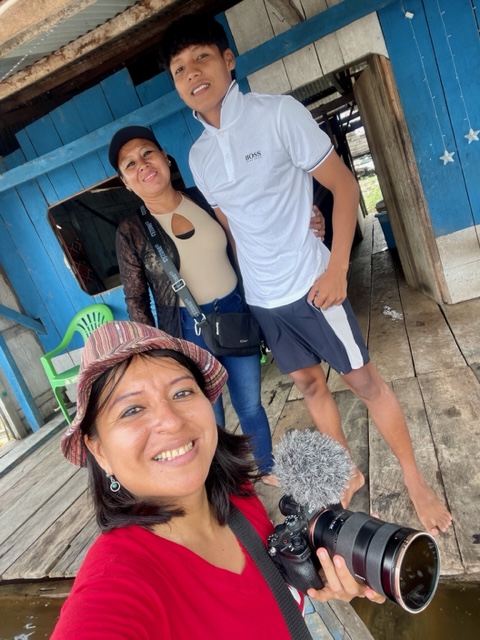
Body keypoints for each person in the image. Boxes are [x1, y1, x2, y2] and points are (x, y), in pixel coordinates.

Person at [158, 15, 452, 536]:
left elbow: (344, 185)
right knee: (310, 385)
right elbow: (234, 225)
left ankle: (414, 480)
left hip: (313, 284)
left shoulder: (278, 114)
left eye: (201, 57)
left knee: (365, 383)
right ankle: (347, 471)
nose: (192, 73)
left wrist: (338, 267)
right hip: (265, 300)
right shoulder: (198, 156)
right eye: (179, 69)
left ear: (228, 60)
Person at [51, 321, 385, 638]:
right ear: (99, 451)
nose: (171, 421)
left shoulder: (238, 496)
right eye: (132, 410)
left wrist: (323, 571)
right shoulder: (116, 580)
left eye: (182, 392)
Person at [109, 125, 276, 478]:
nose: (143, 165)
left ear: (165, 158)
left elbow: (247, 234)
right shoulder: (131, 230)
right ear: (125, 182)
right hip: (186, 331)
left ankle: (266, 469)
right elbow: (136, 298)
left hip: (235, 314)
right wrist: (151, 353)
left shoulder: (203, 198)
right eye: (130, 164)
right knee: (207, 416)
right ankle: (225, 484)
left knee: (250, 405)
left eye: (147, 153)